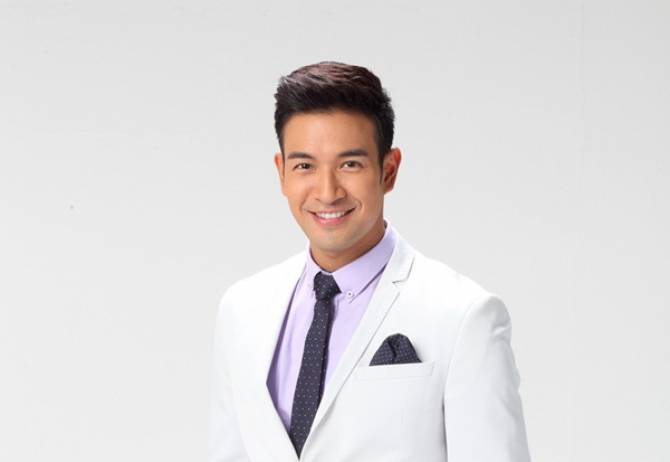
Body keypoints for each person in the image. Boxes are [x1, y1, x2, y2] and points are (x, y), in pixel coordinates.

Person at [208, 61, 531, 462]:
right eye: (305, 166)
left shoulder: (464, 316)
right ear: (282, 172)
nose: (327, 192)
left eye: (350, 164)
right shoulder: (242, 310)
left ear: (388, 171)